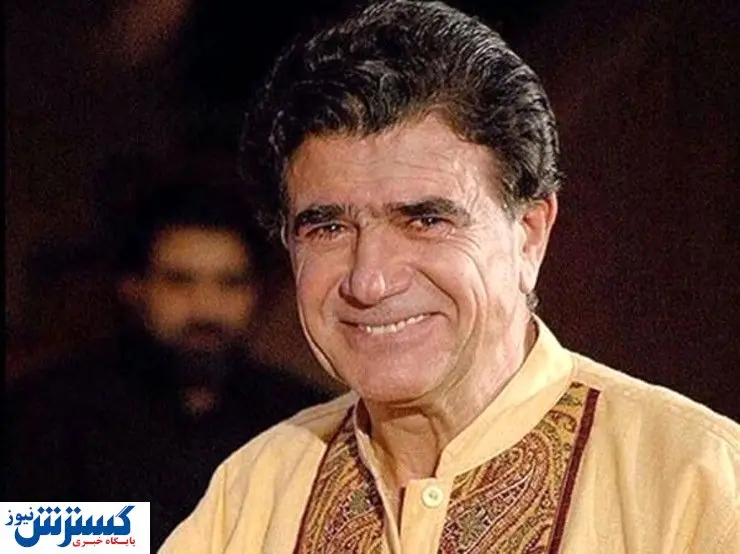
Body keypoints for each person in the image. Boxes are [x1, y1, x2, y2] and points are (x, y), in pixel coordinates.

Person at [160, 1, 739, 552]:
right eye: (329, 228)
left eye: (426, 221)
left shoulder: (699, 481)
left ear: (529, 233)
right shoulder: (254, 490)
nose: (369, 281)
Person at [5, 173, 332, 549]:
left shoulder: (299, 420)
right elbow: (20, 532)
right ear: (134, 288)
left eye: (230, 283)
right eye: (180, 281)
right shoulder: (48, 409)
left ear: (257, 293)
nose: (206, 308)